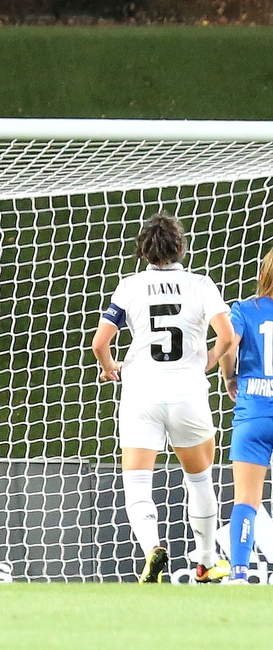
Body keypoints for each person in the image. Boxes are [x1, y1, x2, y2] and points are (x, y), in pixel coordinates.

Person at [91, 212, 234, 583]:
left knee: (137, 481)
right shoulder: (201, 284)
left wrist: (110, 367)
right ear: (180, 247)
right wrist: (208, 362)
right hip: (187, 391)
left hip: (141, 391)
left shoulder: (129, 286)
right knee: (200, 479)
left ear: (143, 251)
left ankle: (153, 549)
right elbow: (227, 335)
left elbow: (99, 343)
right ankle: (205, 561)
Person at [219, 247, 273, 584]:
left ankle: (239, 574)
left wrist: (229, 376)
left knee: (246, 500)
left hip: (253, 412)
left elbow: (229, 344)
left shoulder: (244, 309)